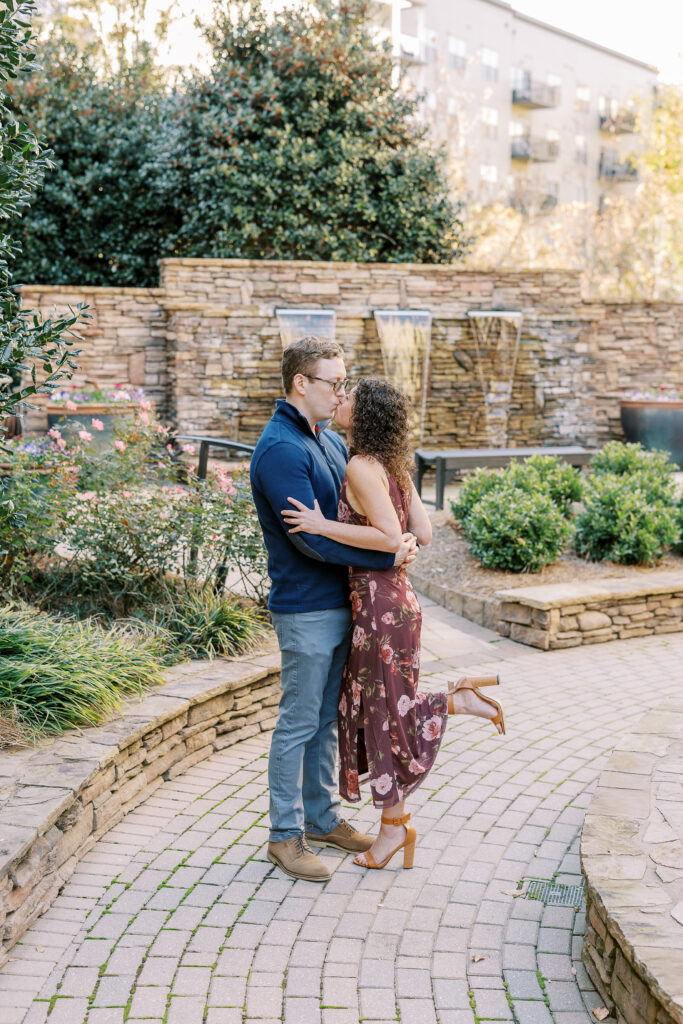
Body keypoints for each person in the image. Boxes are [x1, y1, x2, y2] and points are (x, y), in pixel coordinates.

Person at [282, 377, 504, 871]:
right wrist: (397, 541)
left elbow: (389, 536)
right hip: (400, 603)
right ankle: (398, 818)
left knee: (380, 717)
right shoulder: (392, 466)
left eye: (349, 398)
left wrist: (321, 525)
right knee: (383, 713)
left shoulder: (362, 465)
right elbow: (419, 531)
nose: (340, 400)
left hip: (378, 607)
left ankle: (393, 828)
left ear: (365, 416)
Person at [250, 339, 417, 883]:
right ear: (303, 383)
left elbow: (366, 519)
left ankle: (321, 819)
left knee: (326, 720)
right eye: (334, 383)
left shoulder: (326, 440)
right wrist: (388, 551)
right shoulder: (281, 449)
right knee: (299, 722)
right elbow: (310, 541)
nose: (342, 392)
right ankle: (284, 836)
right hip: (306, 608)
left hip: (343, 602)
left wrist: (391, 544)